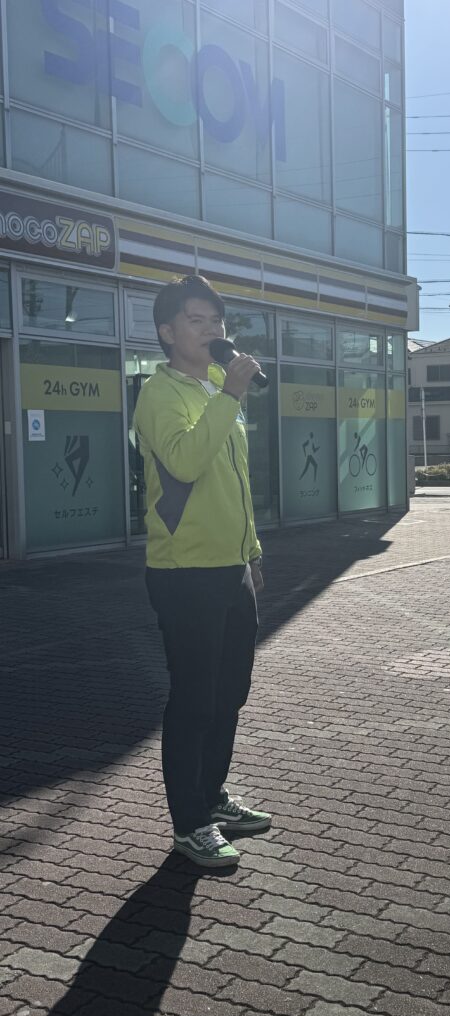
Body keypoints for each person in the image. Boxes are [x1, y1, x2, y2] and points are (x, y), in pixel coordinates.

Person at [134, 275, 271, 868]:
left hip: (230, 567)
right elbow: (186, 463)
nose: (213, 330)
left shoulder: (217, 387)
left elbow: (235, 482)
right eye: (198, 320)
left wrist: (252, 551)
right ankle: (189, 823)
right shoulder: (159, 394)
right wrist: (230, 396)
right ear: (168, 332)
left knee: (228, 693)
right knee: (193, 698)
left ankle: (211, 797)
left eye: (217, 320)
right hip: (185, 572)